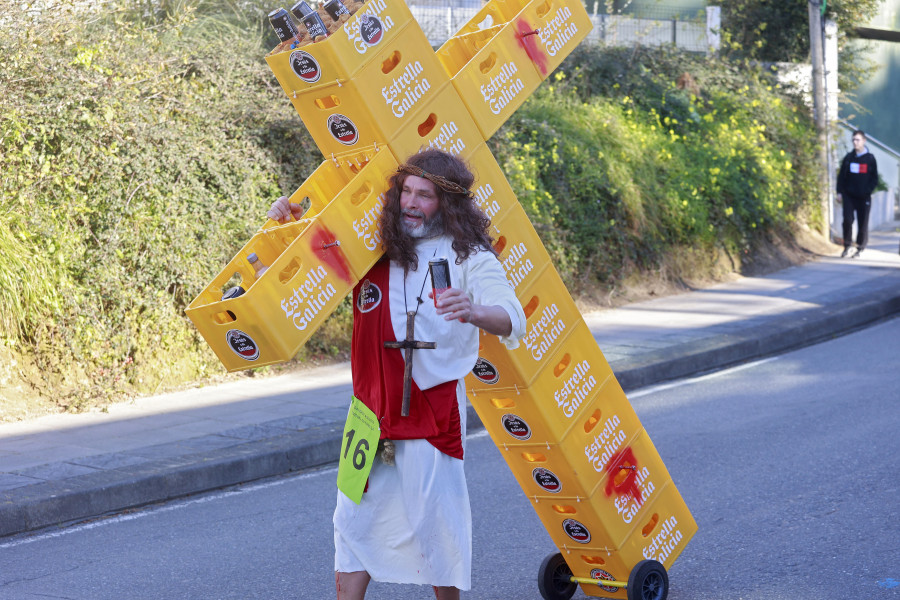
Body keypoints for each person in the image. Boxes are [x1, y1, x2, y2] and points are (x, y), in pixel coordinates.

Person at [267, 149, 526, 599]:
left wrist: (475, 310)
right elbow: (292, 270)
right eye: (405, 191)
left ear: (448, 204)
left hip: (430, 408)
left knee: (437, 523)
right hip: (369, 413)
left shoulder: (467, 255)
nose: (410, 202)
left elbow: (510, 314)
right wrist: (283, 227)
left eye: (424, 195)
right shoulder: (369, 248)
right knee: (351, 520)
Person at [836, 129, 879, 258]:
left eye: (858, 140)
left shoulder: (870, 159)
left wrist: (867, 191)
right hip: (849, 196)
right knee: (847, 220)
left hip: (863, 197)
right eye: (853, 140)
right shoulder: (849, 158)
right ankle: (847, 245)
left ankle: (860, 247)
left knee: (862, 224)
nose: (855, 142)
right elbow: (841, 177)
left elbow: (874, 178)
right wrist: (839, 192)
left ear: (864, 141)